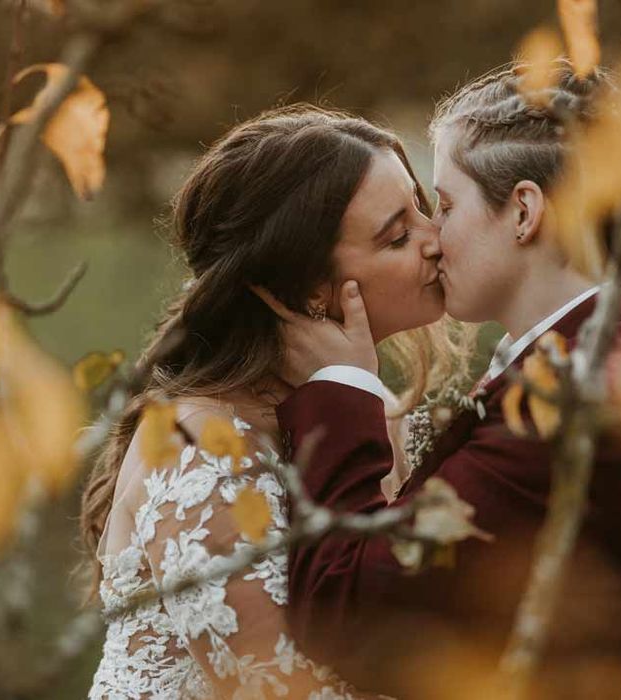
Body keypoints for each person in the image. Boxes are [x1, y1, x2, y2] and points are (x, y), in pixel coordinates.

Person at [262, 64, 621, 698]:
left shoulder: (559, 410)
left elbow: (343, 608)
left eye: (446, 206)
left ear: (523, 212)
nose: (430, 238)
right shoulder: (598, 354)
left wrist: (342, 386)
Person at [80, 104, 469, 699]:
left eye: (423, 209)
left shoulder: (372, 410)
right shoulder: (201, 450)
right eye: (398, 235)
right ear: (310, 290)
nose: (434, 239)